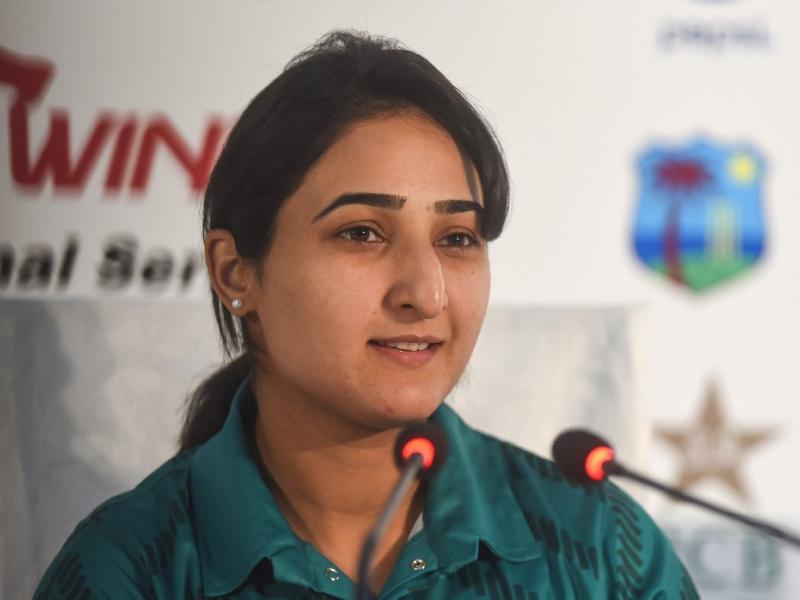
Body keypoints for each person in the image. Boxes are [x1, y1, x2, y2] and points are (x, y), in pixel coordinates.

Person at [35, 31, 698, 599]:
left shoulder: (602, 549)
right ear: (235, 272)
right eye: (362, 233)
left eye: (456, 238)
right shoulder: (123, 571)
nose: (426, 294)